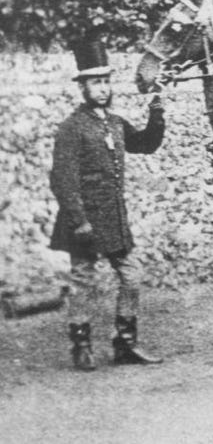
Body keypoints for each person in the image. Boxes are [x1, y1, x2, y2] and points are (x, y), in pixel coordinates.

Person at [49, 37, 166, 370]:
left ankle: (125, 343)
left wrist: (157, 109)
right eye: (95, 83)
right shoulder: (71, 128)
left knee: (132, 275)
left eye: (105, 82)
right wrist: (79, 221)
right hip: (83, 219)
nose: (102, 89)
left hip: (113, 218)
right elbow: (62, 179)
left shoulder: (114, 122)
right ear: (83, 88)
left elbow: (145, 143)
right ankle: (81, 345)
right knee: (84, 279)